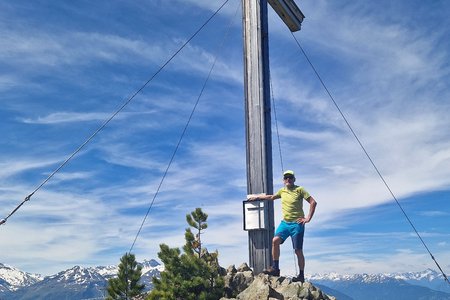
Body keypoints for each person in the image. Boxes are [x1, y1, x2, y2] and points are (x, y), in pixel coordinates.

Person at [248, 170, 317, 283]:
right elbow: (271, 197)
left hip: (297, 223)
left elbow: (313, 202)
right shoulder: (282, 191)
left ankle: (301, 275)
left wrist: (308, 218)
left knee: (298, 250)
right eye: (286, 178)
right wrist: (257, 198)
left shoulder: (300, 190)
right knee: (275, 241)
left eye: (290, 177)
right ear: (283, 180)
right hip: (285, 223)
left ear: (294, 179)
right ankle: (275, 268)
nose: (288, 179)